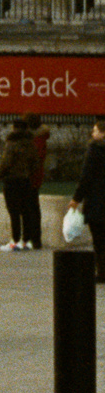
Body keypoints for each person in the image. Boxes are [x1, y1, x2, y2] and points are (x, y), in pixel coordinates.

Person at [69, 117, 105, 283]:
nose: (93, 133)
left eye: (96, 130)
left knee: (99, 239)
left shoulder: (94, 149)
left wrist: (76, 198)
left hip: (98, 201)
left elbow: (86, 177)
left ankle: (102, 271)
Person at [0, 117, 38, 250]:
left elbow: (6, 162)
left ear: (14, 128)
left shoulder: (11, 143)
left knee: (13, 211)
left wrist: (0, 174)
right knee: (26, 211)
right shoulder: (31, 144)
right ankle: (26, 241)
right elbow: (35, 164)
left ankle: (15, 240)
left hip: (11, 180)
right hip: (25, 180)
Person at [25, 114, 49, 249]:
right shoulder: (42, 139)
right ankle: (34, 239)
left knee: (30, 208)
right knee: (33, 207)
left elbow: (35, 159)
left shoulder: (34, 140)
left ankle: (31, 238)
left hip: (30, 176)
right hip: (37, 176)